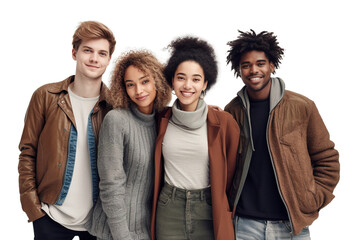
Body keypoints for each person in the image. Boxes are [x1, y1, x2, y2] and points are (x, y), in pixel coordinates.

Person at [225, 29, 340, 239]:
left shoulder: (302, 107)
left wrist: (313, 198)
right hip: (245, 225)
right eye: (246, 65)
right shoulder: (232, 111)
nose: (253, 70)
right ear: (239, 70)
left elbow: (327, 158)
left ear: (272, 65)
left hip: (291, 225)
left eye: (260, 63)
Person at [18, 21, 116, 239]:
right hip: (50, 216)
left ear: (109, 59)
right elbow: (27, 153)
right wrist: (34, 211)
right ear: (74, 53)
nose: (94, 59)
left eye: (102, 53)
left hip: (98, 221)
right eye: (87, 51)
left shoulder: (115, 107)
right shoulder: (45, 97)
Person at [151, 36, 240, 240]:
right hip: (168, 208)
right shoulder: (160, 119)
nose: (187, 85)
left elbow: (233, 173)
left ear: (205, 84)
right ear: (172, 81)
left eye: (196, 79)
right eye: (181, 77)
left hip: (209, 209)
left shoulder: (224, 122)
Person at [85, 50, 171, 240]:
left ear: (158, 80)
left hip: (148, 230)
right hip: (113, 232)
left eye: (145, 81)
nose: (138, 91)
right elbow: (110, 185)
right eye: (130, 85)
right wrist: (122, 236)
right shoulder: (117, 120)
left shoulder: (163, 120)